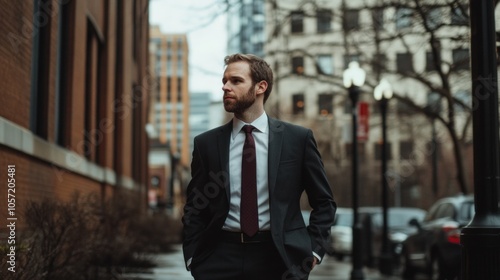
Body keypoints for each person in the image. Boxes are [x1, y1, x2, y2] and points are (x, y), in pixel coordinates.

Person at [182, 53, 336, 280]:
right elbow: (195, 206)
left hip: (280, 258)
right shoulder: (206, 144)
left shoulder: (297, 139)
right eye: (224, 81)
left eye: (235, 81)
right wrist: (193, 255)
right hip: (219, 258)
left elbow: (324, 202)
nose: (225, 87)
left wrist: (312, 251)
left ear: (260, 87)